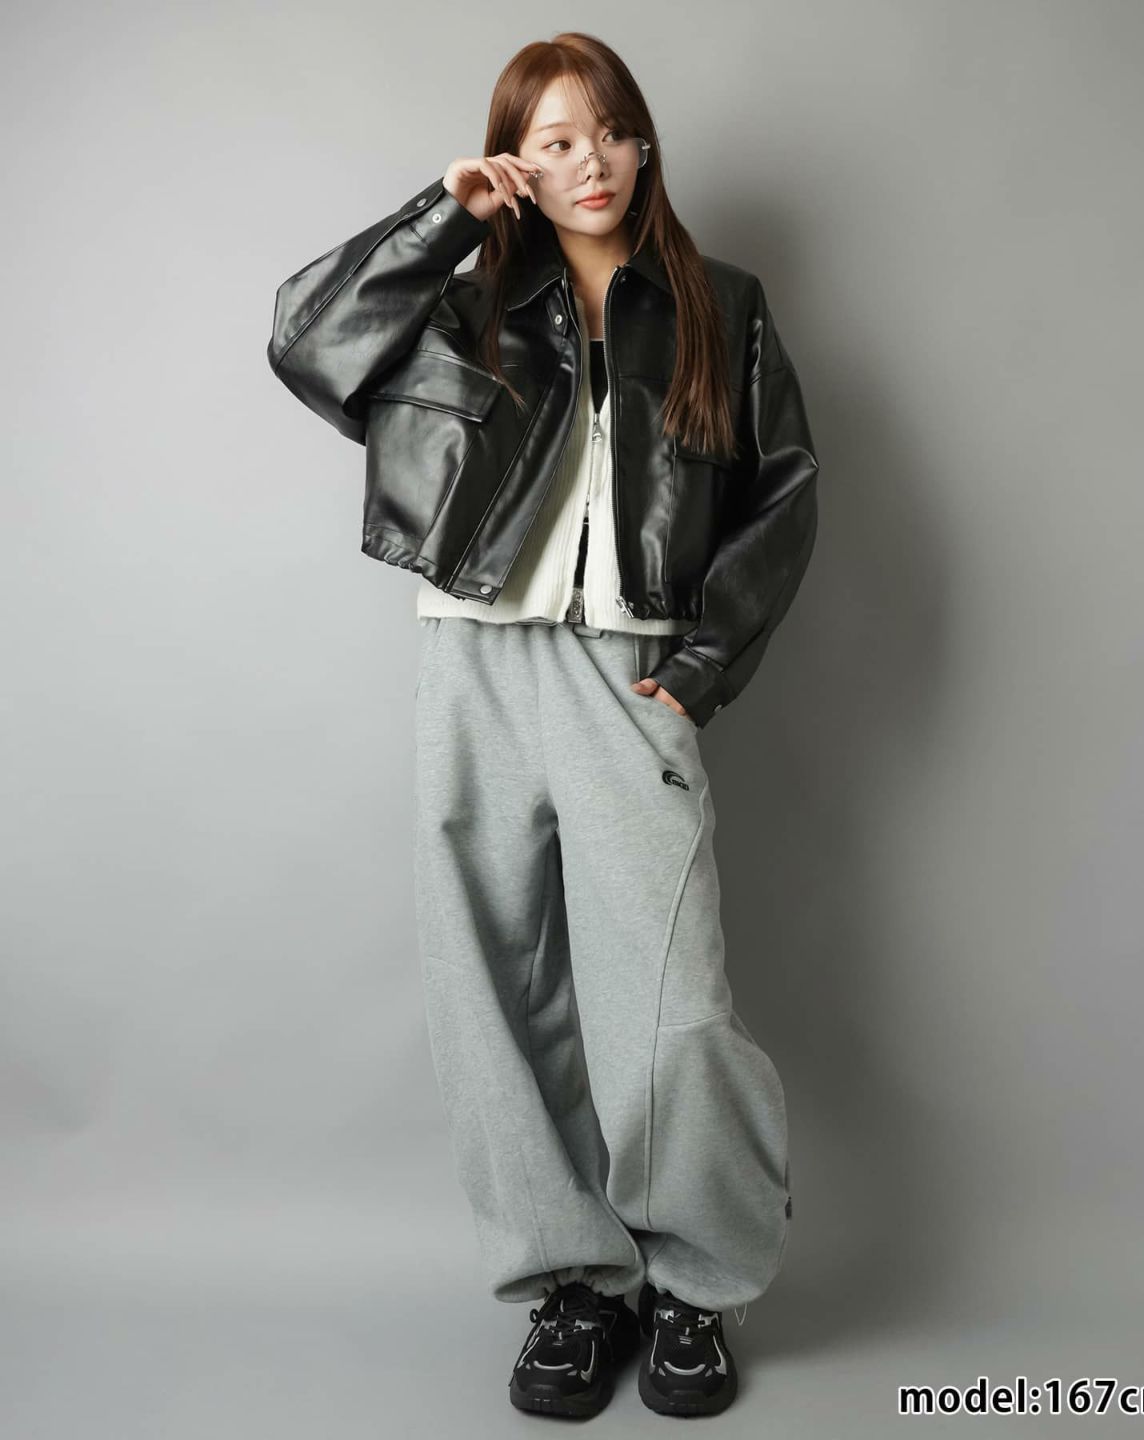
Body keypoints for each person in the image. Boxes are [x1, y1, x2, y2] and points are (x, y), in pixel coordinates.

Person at [268, 31, 819, 1421]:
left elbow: (782, 492)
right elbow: (307, 347)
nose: (591, 161)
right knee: (491, 993)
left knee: (673, 1004)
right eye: (556, 139)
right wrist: (443, 216)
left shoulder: (721, 306)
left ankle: (694, 1286)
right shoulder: (461, 300)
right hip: (474, 661)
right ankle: (573, 1285)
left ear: (645, 145)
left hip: (630, 672)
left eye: (612, 131)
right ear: (515, 156)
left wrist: (702, 664)